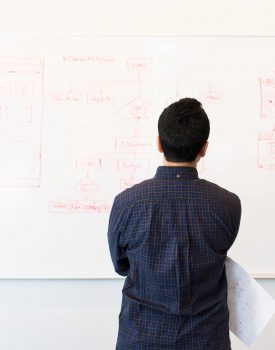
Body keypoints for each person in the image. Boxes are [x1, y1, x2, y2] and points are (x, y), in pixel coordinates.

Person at [107, 97, 242, 349]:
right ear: (204, 148)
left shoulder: (126, 203)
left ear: (158, 144)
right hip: (205, 339)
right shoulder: (228, 205)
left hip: (141, 337)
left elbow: (121, 265)